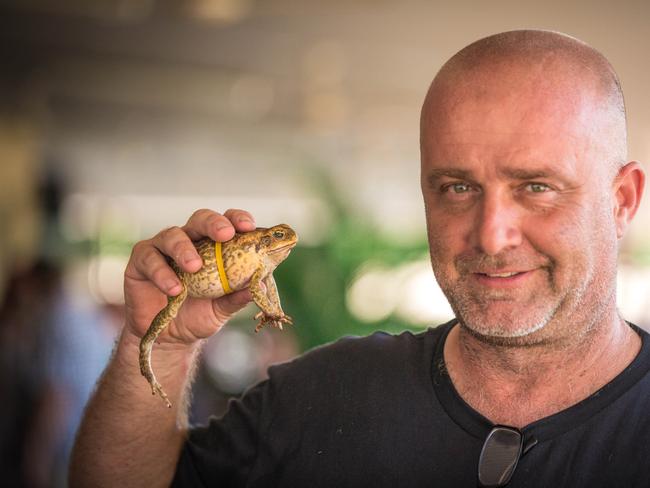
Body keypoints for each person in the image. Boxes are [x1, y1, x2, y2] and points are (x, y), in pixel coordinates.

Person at [69, 29, 649, 487]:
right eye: (457, 188)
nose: (491, 236)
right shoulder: (317, 396)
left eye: (536, 187)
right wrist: (163, 343)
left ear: (622, 200)